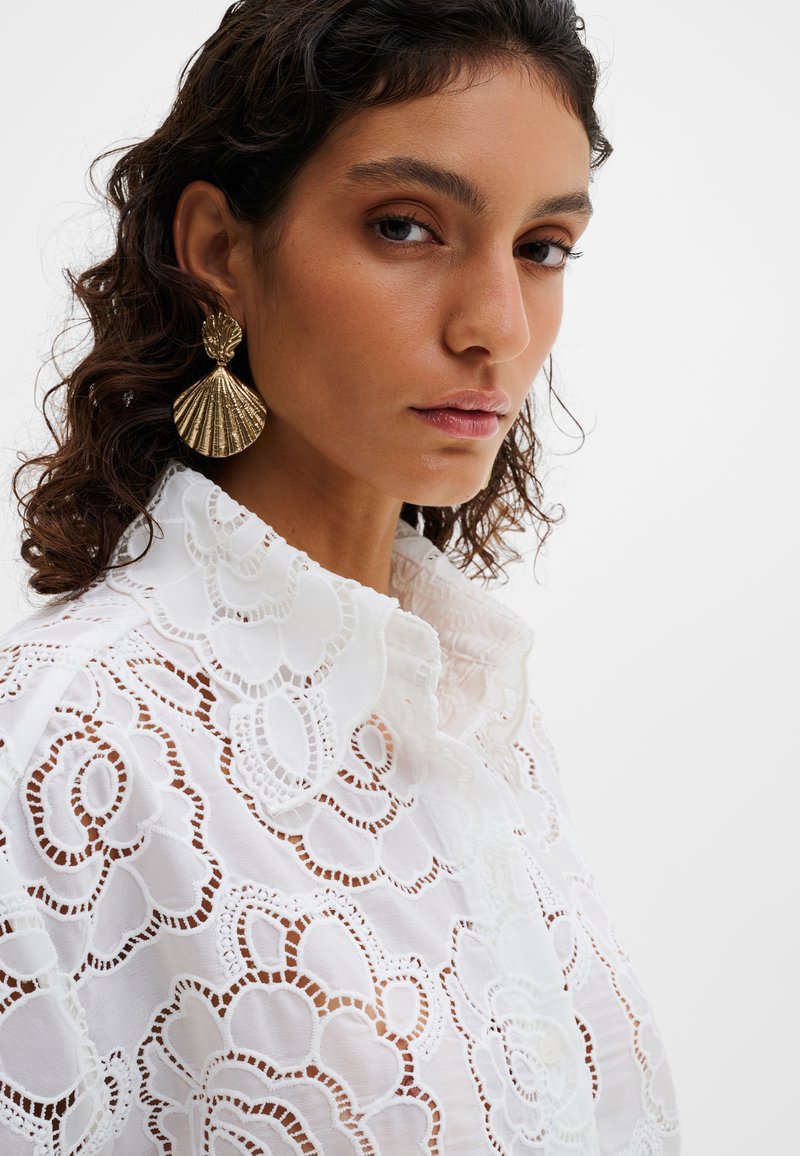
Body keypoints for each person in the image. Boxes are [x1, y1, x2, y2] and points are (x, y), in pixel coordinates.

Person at [0, 0, 680, 1152]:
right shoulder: (61, 742)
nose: (496, 327)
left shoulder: (481, 718)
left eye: (541, 246)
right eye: (405, 227)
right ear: (220, 249)